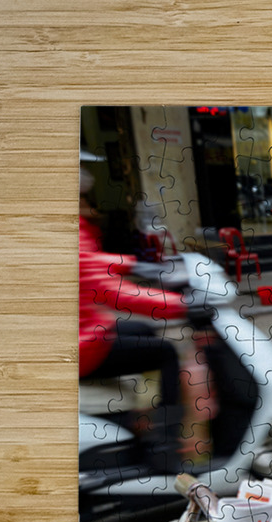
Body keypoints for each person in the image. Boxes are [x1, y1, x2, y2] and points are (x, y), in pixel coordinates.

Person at [79, 168, 188, 471]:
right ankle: (165, 446)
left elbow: (91, 264)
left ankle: (140, 415)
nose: (89, 205)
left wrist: (134, 263)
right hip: (84, 346)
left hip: (85, 330)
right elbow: (109, 292)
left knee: (143, 331)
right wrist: (180, 305)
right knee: (166, 353)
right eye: (83, 197)